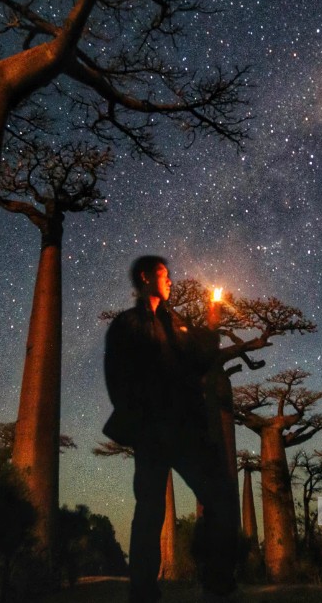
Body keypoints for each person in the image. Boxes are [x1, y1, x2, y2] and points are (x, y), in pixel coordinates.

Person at [103, 255, 238, 603]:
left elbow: (201, 360)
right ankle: (143, 592)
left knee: (219, 497)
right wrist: (138, 416)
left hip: (185, 429)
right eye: (163, 275)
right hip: (151, 430)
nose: (170, 281)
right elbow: (116, 377)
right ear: (145, 277)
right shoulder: (126, 324)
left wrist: (212, 320)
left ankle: (216, 582)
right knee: (150, 511)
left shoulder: (176, 322)